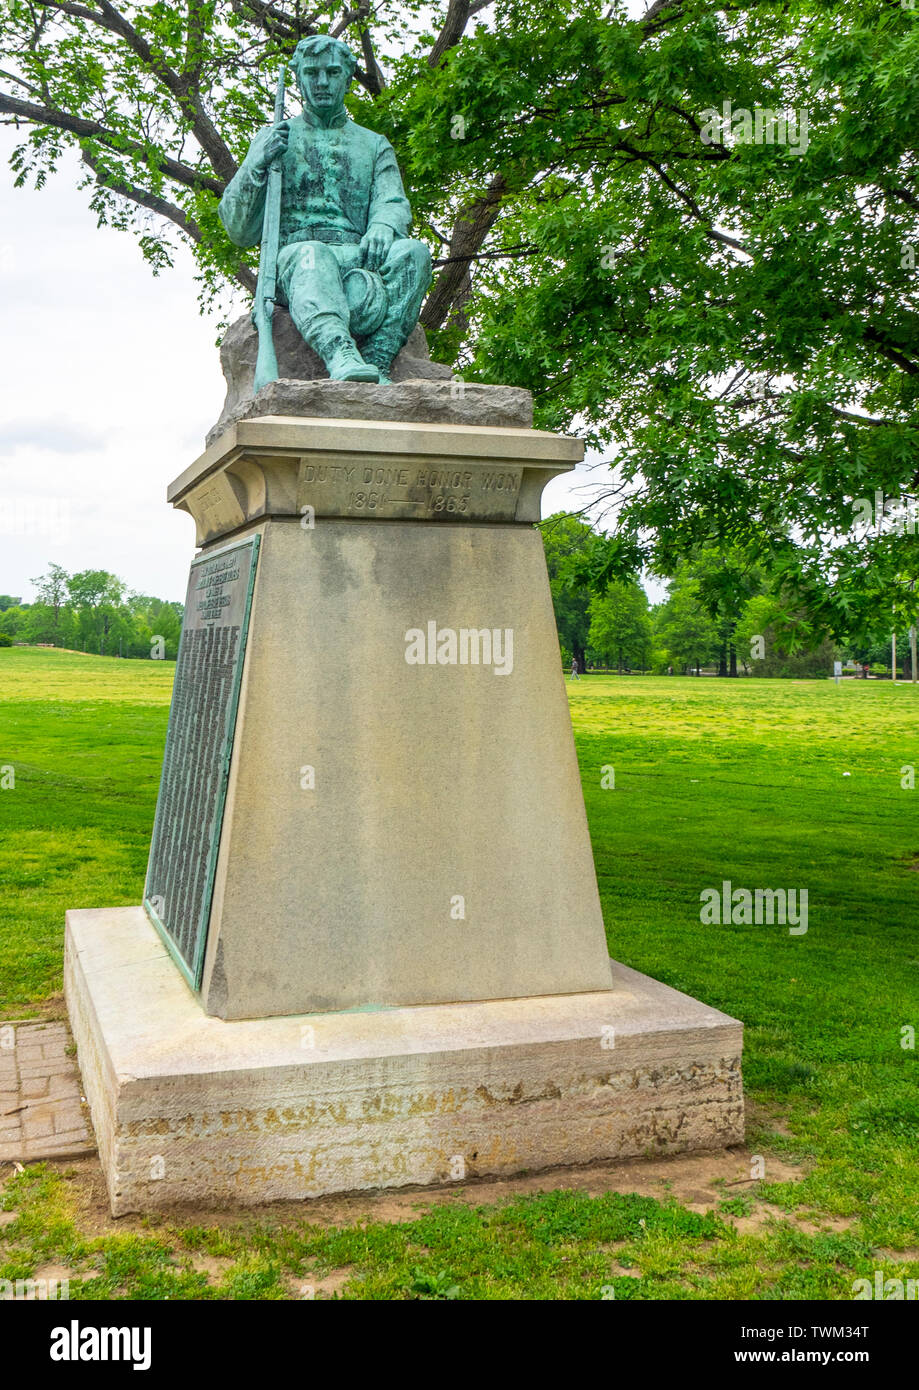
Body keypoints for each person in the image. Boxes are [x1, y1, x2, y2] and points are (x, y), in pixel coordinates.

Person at [219, 34, 432, 383]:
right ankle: (340, 353)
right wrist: (256, 164)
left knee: (414, 253)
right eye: (312, 72)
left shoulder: (374, 145)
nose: (321, 82)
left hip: (359, 254)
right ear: (299, 77)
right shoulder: (275, 138)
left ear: (348, 79)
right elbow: (238, 230)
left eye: (332, 73)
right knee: (313, 255)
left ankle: (377, 360)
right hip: (299, 258)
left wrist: (383, 225)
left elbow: (392, 202)